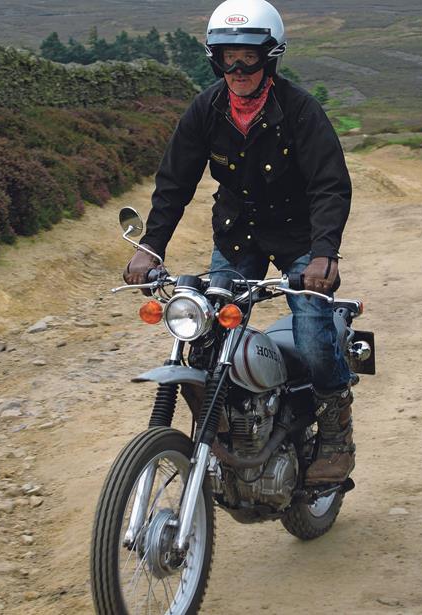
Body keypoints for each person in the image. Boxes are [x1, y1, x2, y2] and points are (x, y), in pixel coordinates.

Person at [123, 0, 354, 485]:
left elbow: (330, 185)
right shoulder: (205, 109)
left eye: (249, 56)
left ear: (270, 57)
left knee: (313, 333)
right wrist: (151, 247)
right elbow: (174, 183)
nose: (238, 68)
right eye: (227, 56)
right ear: (215, 59)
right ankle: (227, 427)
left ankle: (335, 423)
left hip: (298, 238)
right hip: (237, 235)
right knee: (205, 335)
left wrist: (323, 254)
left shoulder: (298, 109)